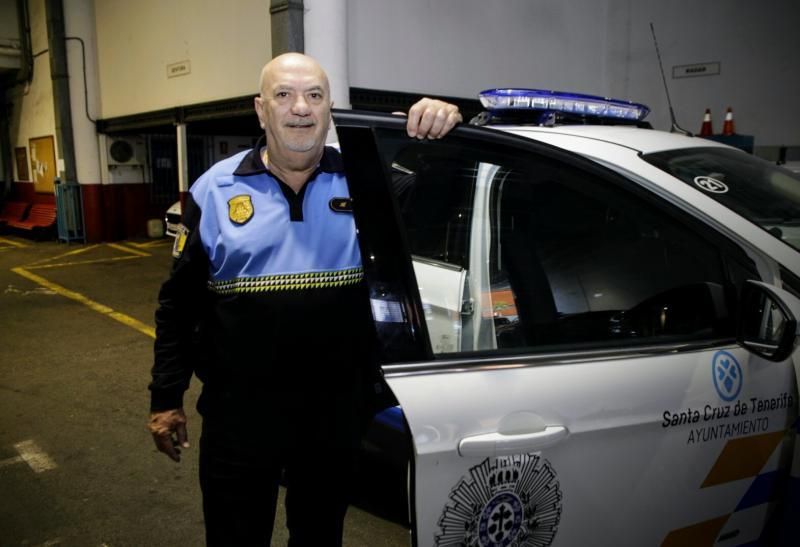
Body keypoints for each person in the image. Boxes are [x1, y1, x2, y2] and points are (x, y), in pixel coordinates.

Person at [148, 52, 461, 546]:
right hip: (238, 419)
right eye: (284, 95)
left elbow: (440, 201)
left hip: (332, 421)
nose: (300, 108)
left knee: (319, 537)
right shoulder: (215, 189)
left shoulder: (368, 182)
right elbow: (178, 307)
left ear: (329, 108)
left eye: (314, 96)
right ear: (260, 109)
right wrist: (166, 399)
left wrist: (440, 126)